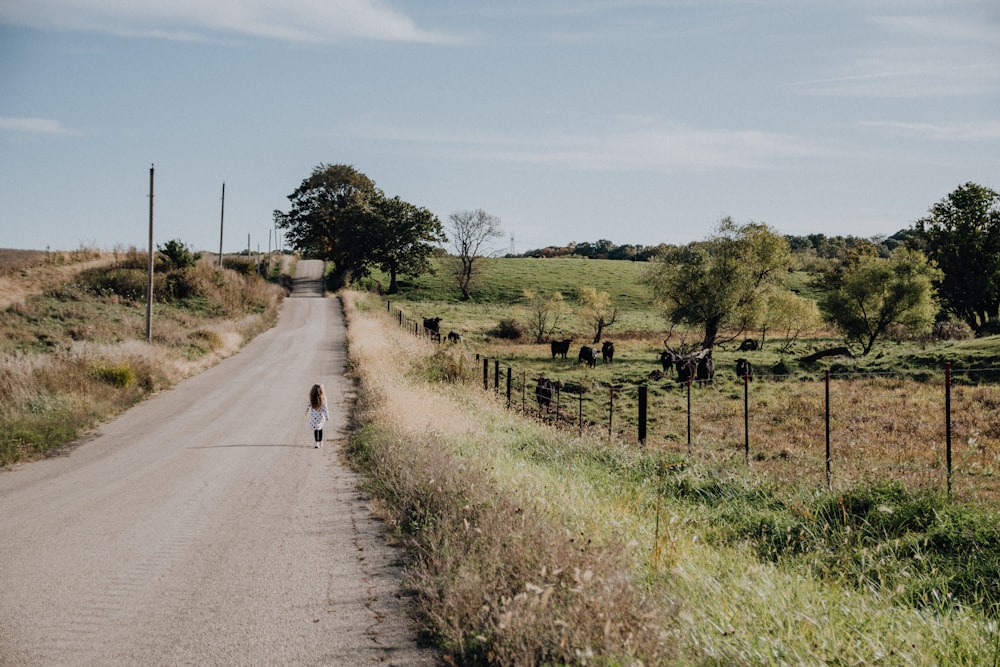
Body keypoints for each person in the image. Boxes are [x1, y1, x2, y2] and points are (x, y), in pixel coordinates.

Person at [306, 383, 329, 448]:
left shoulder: (311, 398)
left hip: (313, 417)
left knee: (316, 429)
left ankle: (317, 443)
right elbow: (325, 408)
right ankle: (320, 441)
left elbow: (308, 405)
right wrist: (327, 416)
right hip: (321, 417)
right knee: (320, 428)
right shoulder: (323, 398)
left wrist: (306, 411)